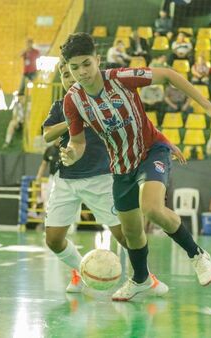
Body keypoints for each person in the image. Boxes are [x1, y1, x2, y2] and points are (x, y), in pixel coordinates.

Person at [60, 33, 211, 300]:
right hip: (120, 166)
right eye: (74, 68)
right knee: (131, 232)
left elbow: (167, 74)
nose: (82, 72)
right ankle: (140, 280)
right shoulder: (72, 101)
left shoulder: (120, 78)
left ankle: (197, 254)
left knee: (152, 208)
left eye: (86, 64)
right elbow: (77, 142)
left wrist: (206, 105)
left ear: (97, 60)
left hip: (151, 150)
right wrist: (73, 155)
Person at [40, 62, 156, 294]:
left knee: (125, 236)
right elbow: (47, 134)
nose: (70, 78)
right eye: (64, 75)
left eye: (72, 73)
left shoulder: (101, 102)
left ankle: (145, 278)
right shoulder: (61, 105)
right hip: (66, 179)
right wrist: (74, 120)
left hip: (101, 178)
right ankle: (81, 270)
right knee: (53, 239)